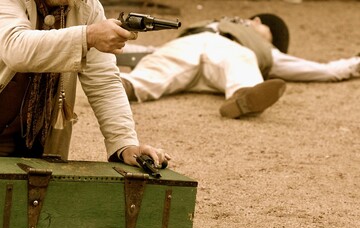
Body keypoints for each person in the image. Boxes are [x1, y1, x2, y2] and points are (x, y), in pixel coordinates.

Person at [0, 0, 171, 167]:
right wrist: (87, 36)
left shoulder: (88, 7)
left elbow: (103, 80)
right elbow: (16, 48)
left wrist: (125, 143)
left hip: (35, 151)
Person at [119, 13, 360, 119]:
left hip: (227, 56)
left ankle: (243, 96)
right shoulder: (250, 41)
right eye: (269, 33)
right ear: (255, 21)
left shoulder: (266, 51)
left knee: (242, 58)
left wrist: (355, 63)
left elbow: (324, 70)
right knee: (162, 61)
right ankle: (127, 85)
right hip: (188, 46)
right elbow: (152, 52)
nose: (268, 40)